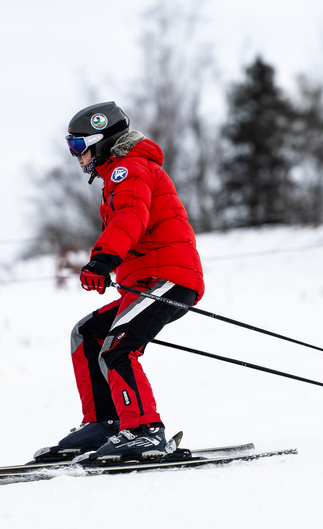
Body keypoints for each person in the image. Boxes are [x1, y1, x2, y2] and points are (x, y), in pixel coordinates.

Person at [34, 101, 204, 464]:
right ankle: (105, 422)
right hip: (145, 281)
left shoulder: (129, 170)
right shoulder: (119, 172)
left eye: (79, 146)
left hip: (167, 277)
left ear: (102, 141)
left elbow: (130, 216)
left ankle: (144, 430)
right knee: (88, 334)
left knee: (118, 347)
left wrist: (103, 259)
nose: (76, 155)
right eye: (71, 147)